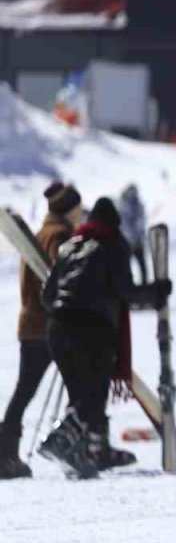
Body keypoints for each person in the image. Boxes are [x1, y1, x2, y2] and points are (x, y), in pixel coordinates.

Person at [36, 198, 170, 479]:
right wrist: (156, 292)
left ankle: (89, 451)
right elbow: (125, 291)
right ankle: (61, 441)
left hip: (58, 329)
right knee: (93, 394)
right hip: (92, 328)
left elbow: (47, 295)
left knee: (80, 392)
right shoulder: (113, 244)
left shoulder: (70, 245)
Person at [0, 182, 82, 479]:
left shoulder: (41, 233)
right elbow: (59, 280)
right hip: (49, 325)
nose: (81, 213)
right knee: (80, 385)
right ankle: (78, 444)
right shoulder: (59, 236)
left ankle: (6, 452)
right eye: (78, 208)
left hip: (32, 324)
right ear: (70, 209)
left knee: (25, 390)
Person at [117, 183, 148, 282]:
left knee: (143, 267)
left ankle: (145, 285)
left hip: (138, 242)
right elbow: (124, 225)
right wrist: (130, 240)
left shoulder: (139, 205)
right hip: (127, 242)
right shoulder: (122, 206)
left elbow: (141, 223)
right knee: (125, 268)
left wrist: (140, 236)